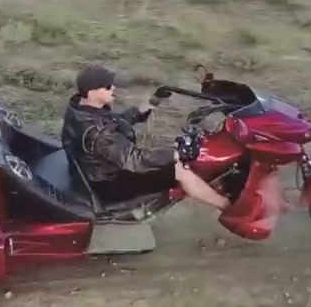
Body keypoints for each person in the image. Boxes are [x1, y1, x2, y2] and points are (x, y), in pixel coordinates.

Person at [61, 63, 231, 211]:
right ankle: (227, 206)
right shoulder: (98, 133)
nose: (113, 88)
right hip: (107, 184)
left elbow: (116, 121)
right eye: (107, 87)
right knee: (179, 170)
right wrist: (176, 153)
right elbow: (135, 160)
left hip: (94, 172)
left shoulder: (81, 109)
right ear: (91, 92)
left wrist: (149, 105)